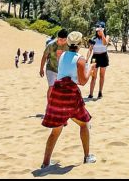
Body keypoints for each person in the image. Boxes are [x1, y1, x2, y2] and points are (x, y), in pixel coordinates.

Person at [41, 31, 96, 169]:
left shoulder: (63, 55)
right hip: (70, 96)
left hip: (57, 94)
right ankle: (87, 157)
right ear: (79, 44)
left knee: (55, 131)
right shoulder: (80, 59)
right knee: (84, 124)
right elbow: (82, 82)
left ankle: (46, 163)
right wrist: (91, 69)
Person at [40, 29, 69, 100]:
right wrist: (41, 69)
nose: (62, 42)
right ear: (57, 38)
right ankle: (49, 105)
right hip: (51, 68)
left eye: (64, 40)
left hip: (62, 71)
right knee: (51, 86)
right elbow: (44, 56)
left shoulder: (68, 45)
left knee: (60, 89)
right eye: (60, 39)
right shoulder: (51, 45)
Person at [86, 23, 109, 100]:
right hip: (95, 57)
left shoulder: (107, 37)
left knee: (102, 76)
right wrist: (87, 59)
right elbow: (90, 49)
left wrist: (102, 34)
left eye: (100, 30)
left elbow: (105, 43)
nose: (99, 32)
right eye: (98, 30)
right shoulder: (93, 38)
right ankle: (91, 94)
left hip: (104, 56)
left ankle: (100, 92)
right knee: (93, 76)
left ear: (103, 29)